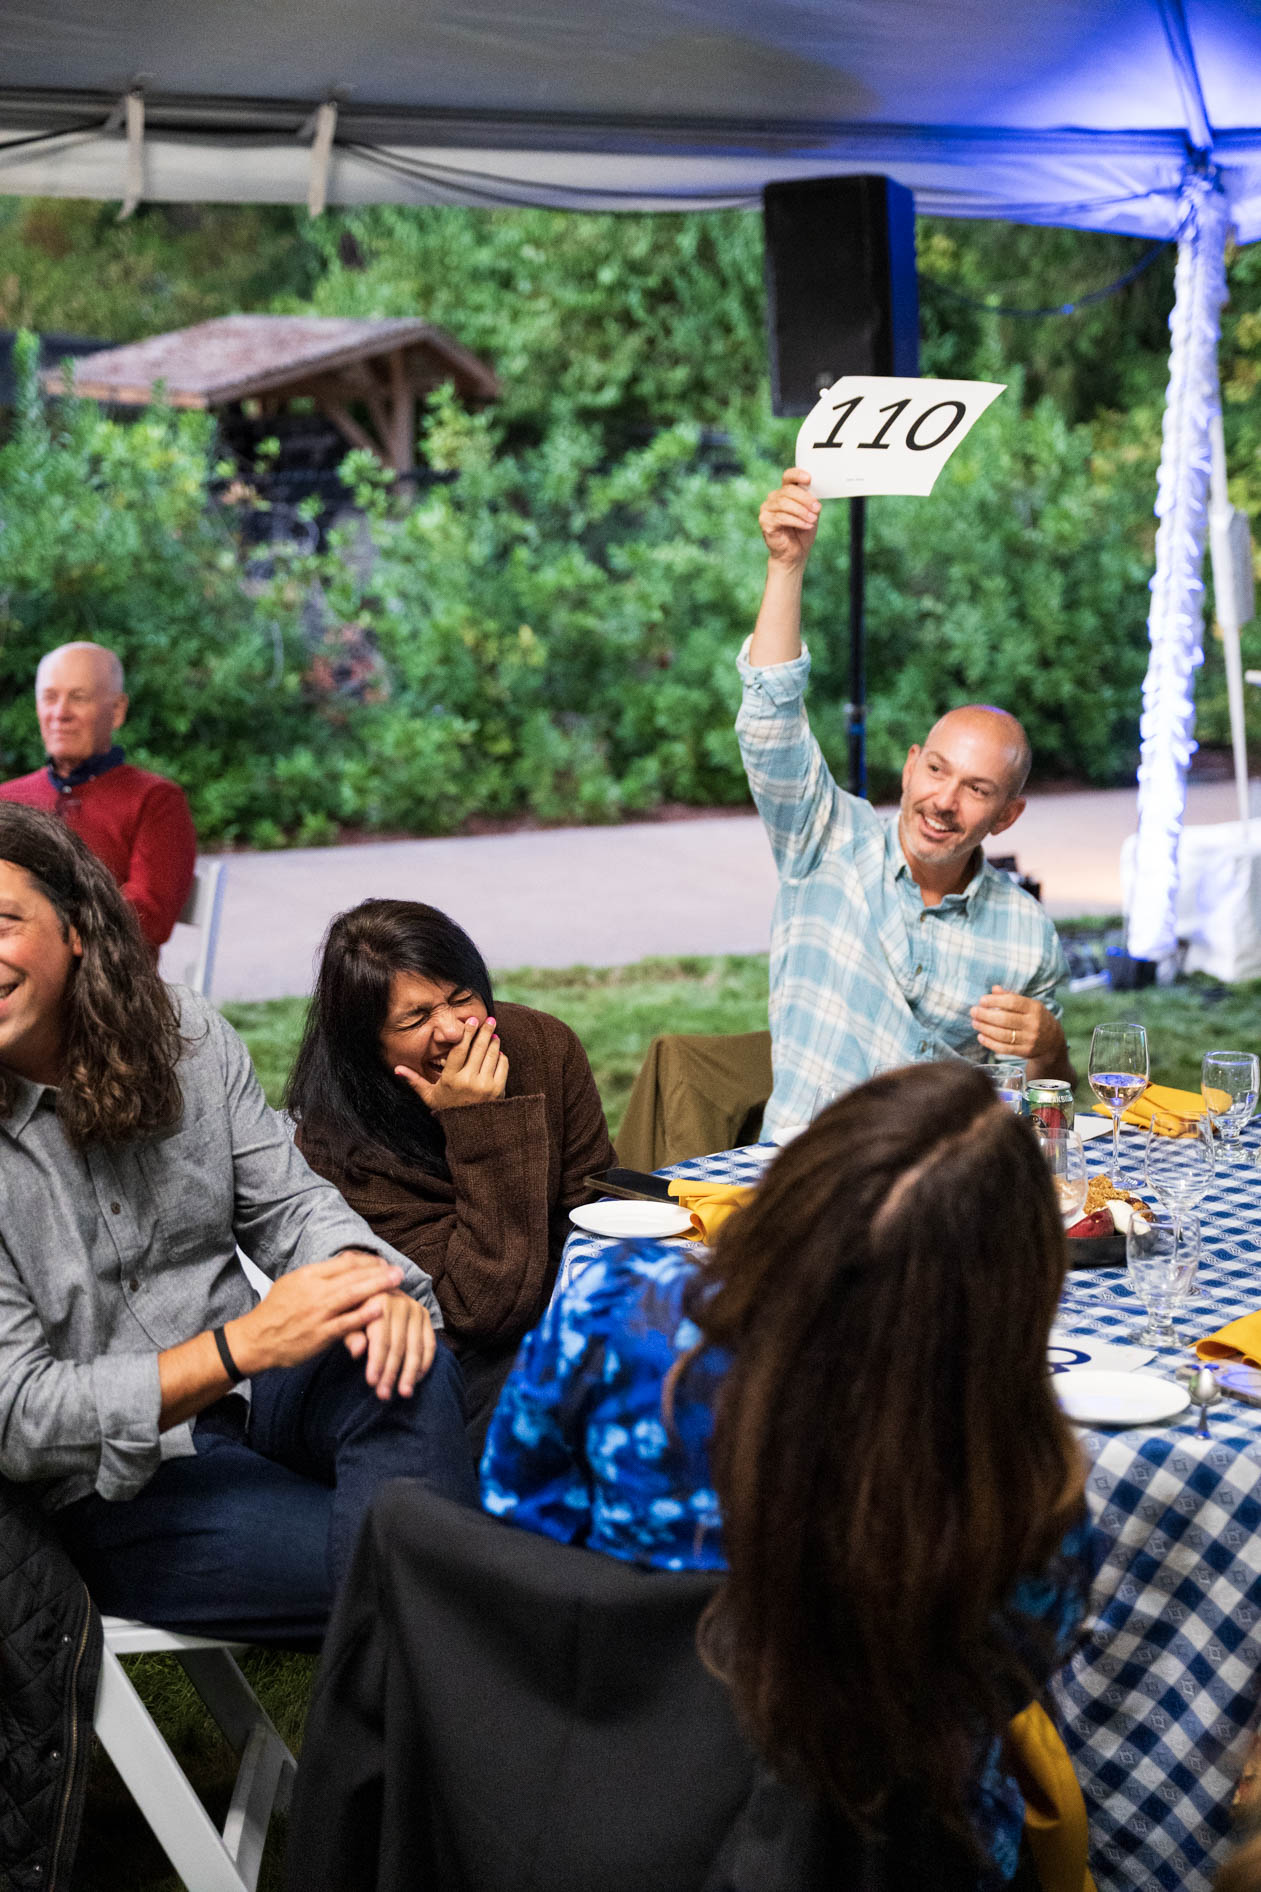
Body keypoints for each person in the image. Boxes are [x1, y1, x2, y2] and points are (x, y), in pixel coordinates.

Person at [481, 1058, 1092, 1885]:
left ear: (792, 1193)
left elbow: (514, 1524)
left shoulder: (611, 1316)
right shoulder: (1023, 1488)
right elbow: (993, 1705)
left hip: (600, 1798)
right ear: (1015, 1292)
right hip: (878, 1858)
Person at [0, 805, 476, 1641]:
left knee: (403, 1352)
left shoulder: (181, 1035)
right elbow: (19, 1415)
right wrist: (239, 1347)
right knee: (424, 1575)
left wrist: (375, 1283)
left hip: (263, 1400)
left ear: (75, 928)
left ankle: (420, 1698)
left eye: (2, 924)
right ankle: (461, 1687)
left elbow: (292, 1207)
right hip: (115, 1488)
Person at [737, 468, 1072, 1142]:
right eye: (937, 770)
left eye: (976, 790)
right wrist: (786, 567)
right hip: (806, 1173)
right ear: (911, 763)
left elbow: (1044, 1126)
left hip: (936, 1196)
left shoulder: (1026, 934)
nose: (942, 802)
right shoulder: (821, 837)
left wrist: (1048, 1051)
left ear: (1005, 816)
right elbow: (770, 716)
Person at [287, 899, 615, 1445]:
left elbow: (593, 1210)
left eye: (462, 998)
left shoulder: (543, 1046)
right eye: (415, 1019)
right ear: (366, 1042)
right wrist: (482, 1124)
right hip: (445, 1367)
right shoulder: (334, 1140)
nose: (454, 1031)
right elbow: (478, 1312)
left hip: (568, 1316)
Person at [0, 640, 196, 949]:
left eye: (78, 697)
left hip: (105, 988)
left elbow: (150, 918)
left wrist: (41, 932)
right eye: (49, 697)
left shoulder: (155, 800)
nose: (60, 713)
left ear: (116, 711)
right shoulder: (6, 799)